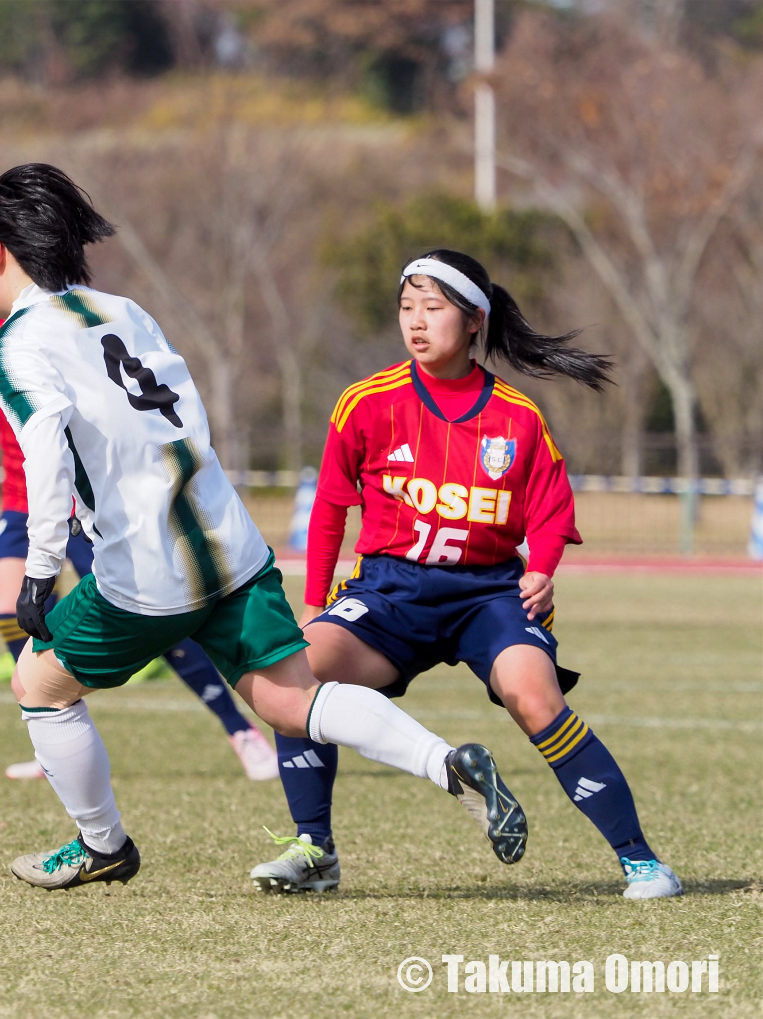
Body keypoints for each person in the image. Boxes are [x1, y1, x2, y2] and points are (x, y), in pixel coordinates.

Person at [0, 164, 528, 890]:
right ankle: (446, 761)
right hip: (229, 540)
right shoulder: (127, 311)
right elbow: (183, 403)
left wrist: (42, 567)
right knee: (292, 702)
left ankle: (103, 844)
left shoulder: (11, 345)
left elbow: (43, 445)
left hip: (145, 570)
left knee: (38, 683)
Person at [251, 249, 683, 900]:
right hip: (389, 592)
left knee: (536, 699)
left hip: (488, 595)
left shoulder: (518, 417)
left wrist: (542, 568)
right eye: (406, 307)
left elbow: (552, 509)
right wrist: (313, 604)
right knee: (296, 672)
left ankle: (643, 861)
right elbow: (330, 509)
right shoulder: (367, 403)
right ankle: (316, 850)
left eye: (433, 307)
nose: (416, 322)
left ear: (475, 319)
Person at [0, 215, 280, 782]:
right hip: (21, 497)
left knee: (162, 622)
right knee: (9, 609)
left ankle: (241, 732)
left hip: (84, 503)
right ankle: (52, 725)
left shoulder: (52, 316)